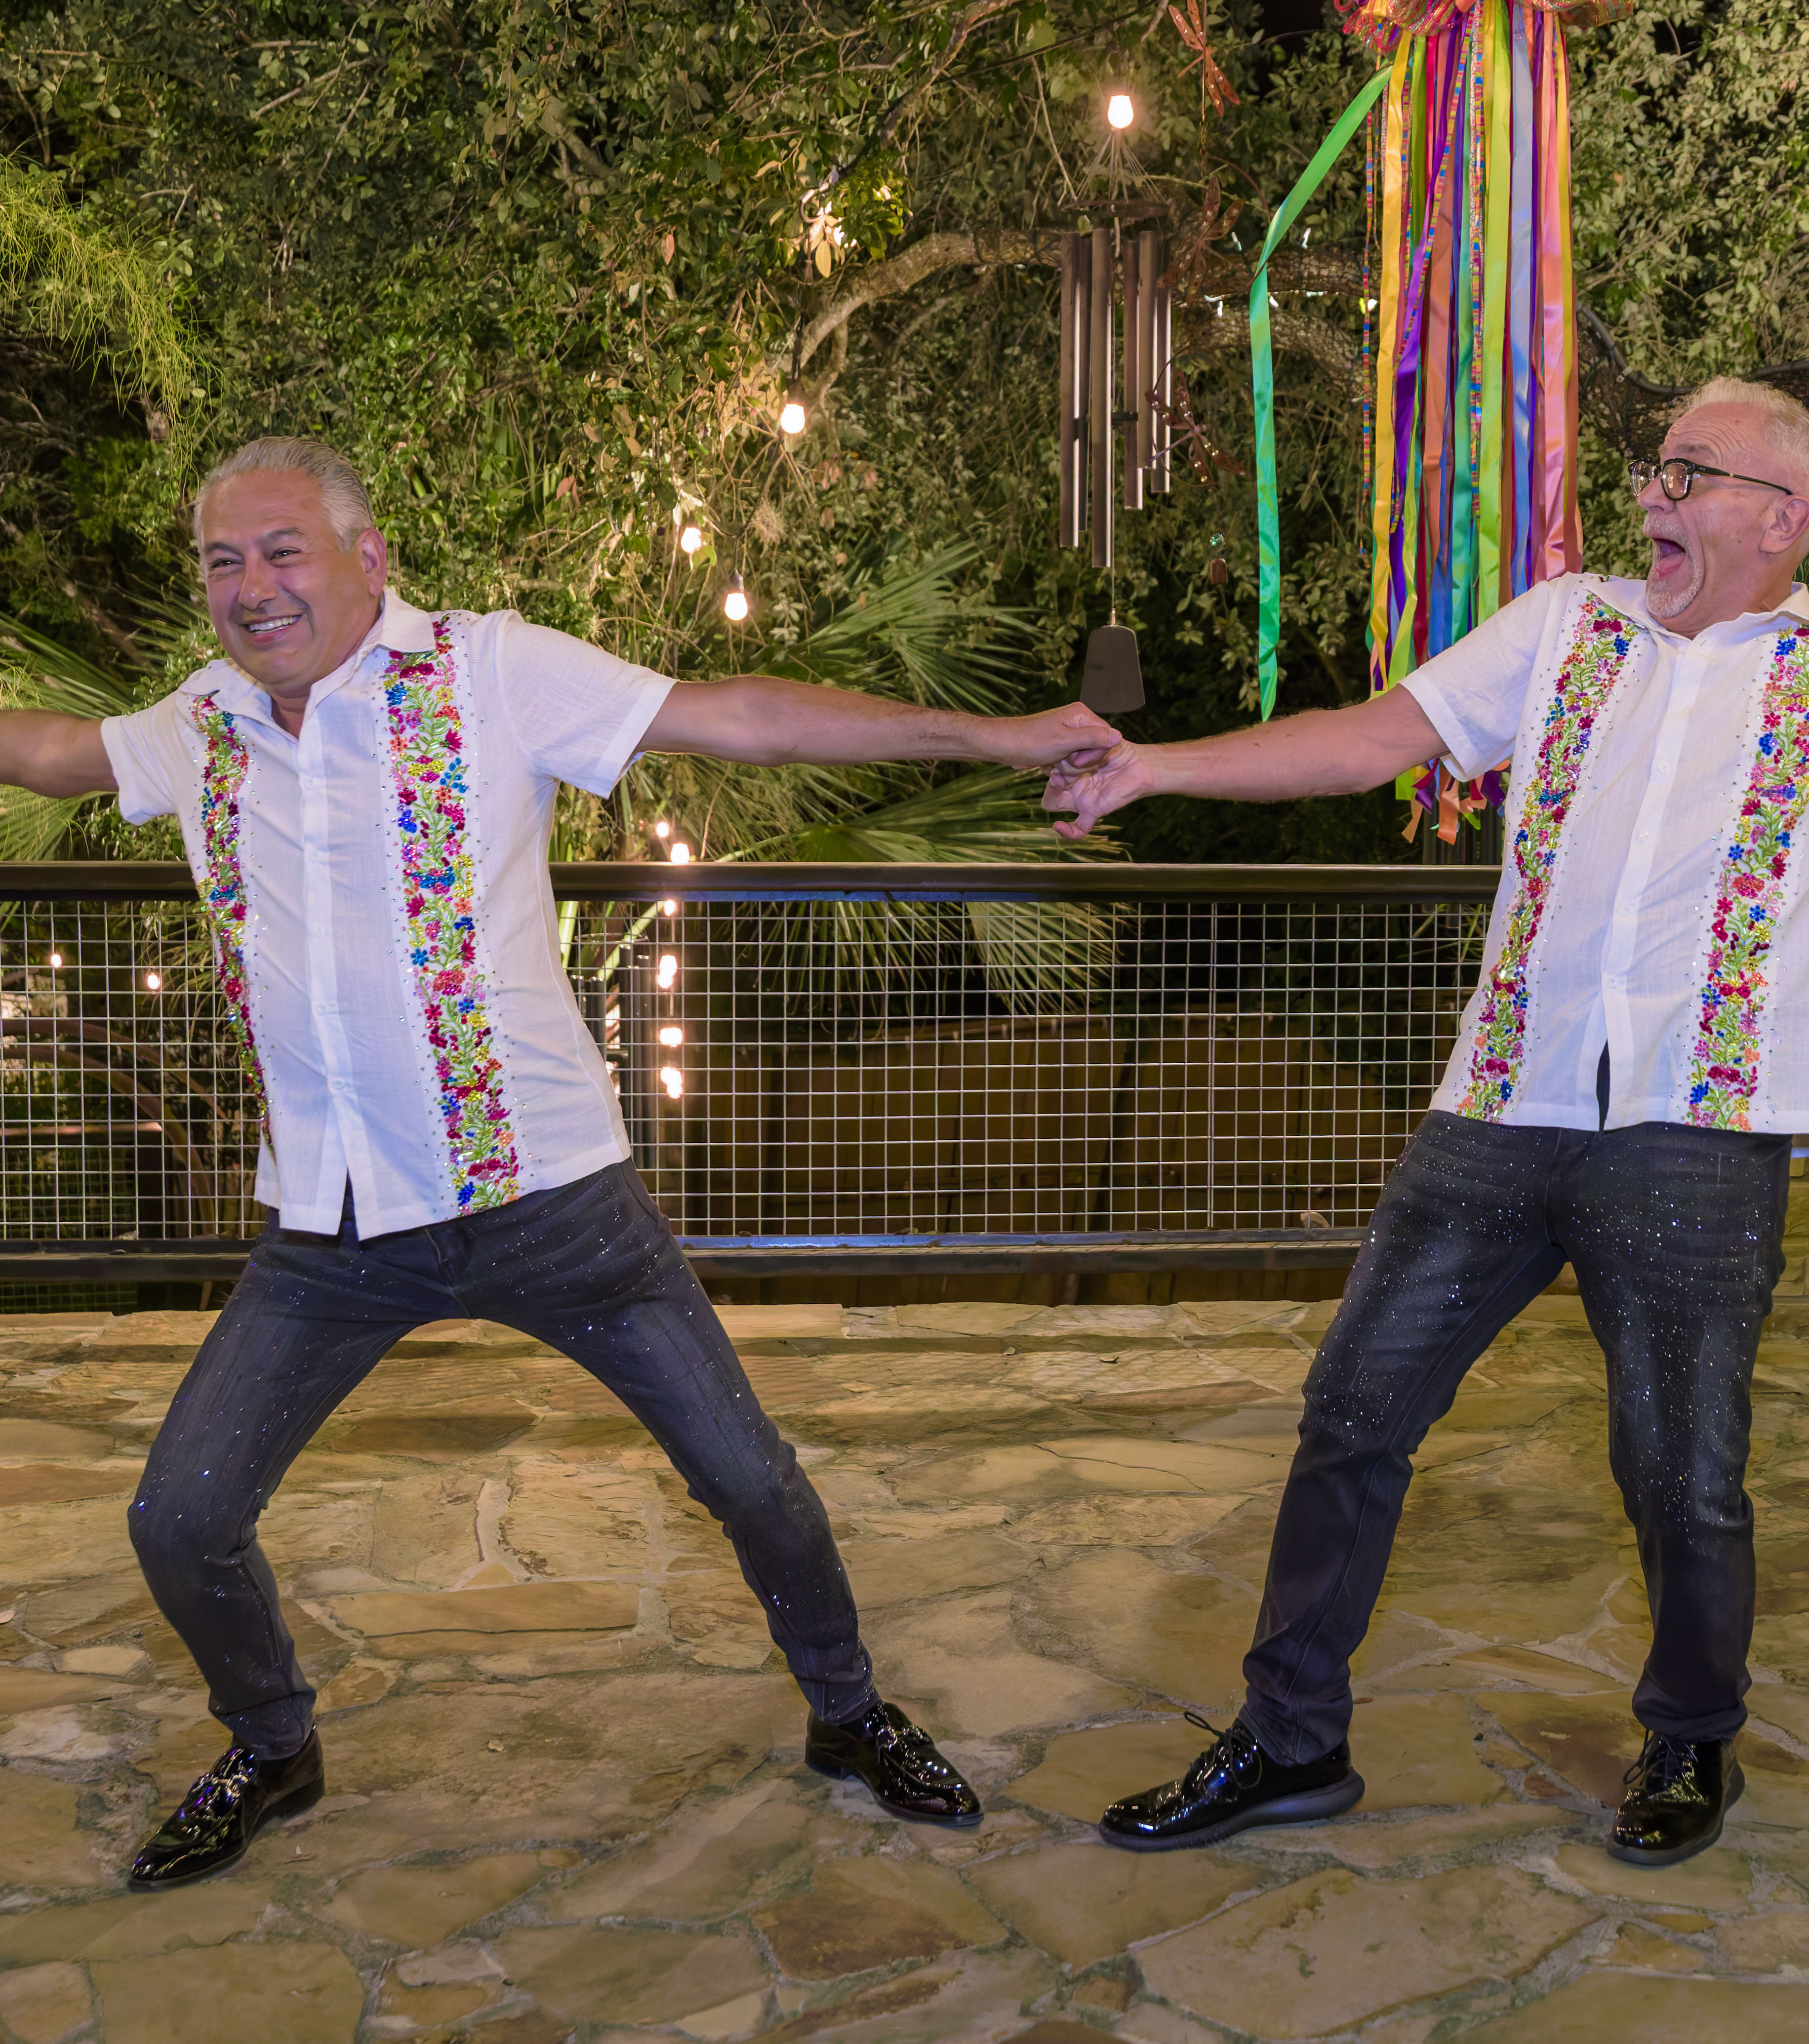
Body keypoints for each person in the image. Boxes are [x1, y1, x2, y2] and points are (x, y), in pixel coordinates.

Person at [1046, 375, 1809, 1867]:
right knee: (1352, 1414)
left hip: (1699, 1132)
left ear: (1781, 518)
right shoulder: (1565, 626)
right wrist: (1155, 765)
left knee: (1679, 1469)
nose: (1648, 495)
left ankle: (1691, 1738)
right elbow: (1373, 739)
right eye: (1653, 467)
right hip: (1502, 1101)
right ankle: (1288, 1738)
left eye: (1687, 474)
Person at [0, 437, 1120, 1889]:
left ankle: (848, 1712)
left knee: (752, 1480)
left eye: (282, 550)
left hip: (554, 1202)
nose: (251, 585)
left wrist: (1002, 739)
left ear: (366, 558)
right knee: (180, 1517)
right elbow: (49, 751)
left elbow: (742, 718)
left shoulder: (490, 670)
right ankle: (273, 1742)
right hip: (333, 1226)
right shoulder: (200, 721)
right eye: (223, 560)